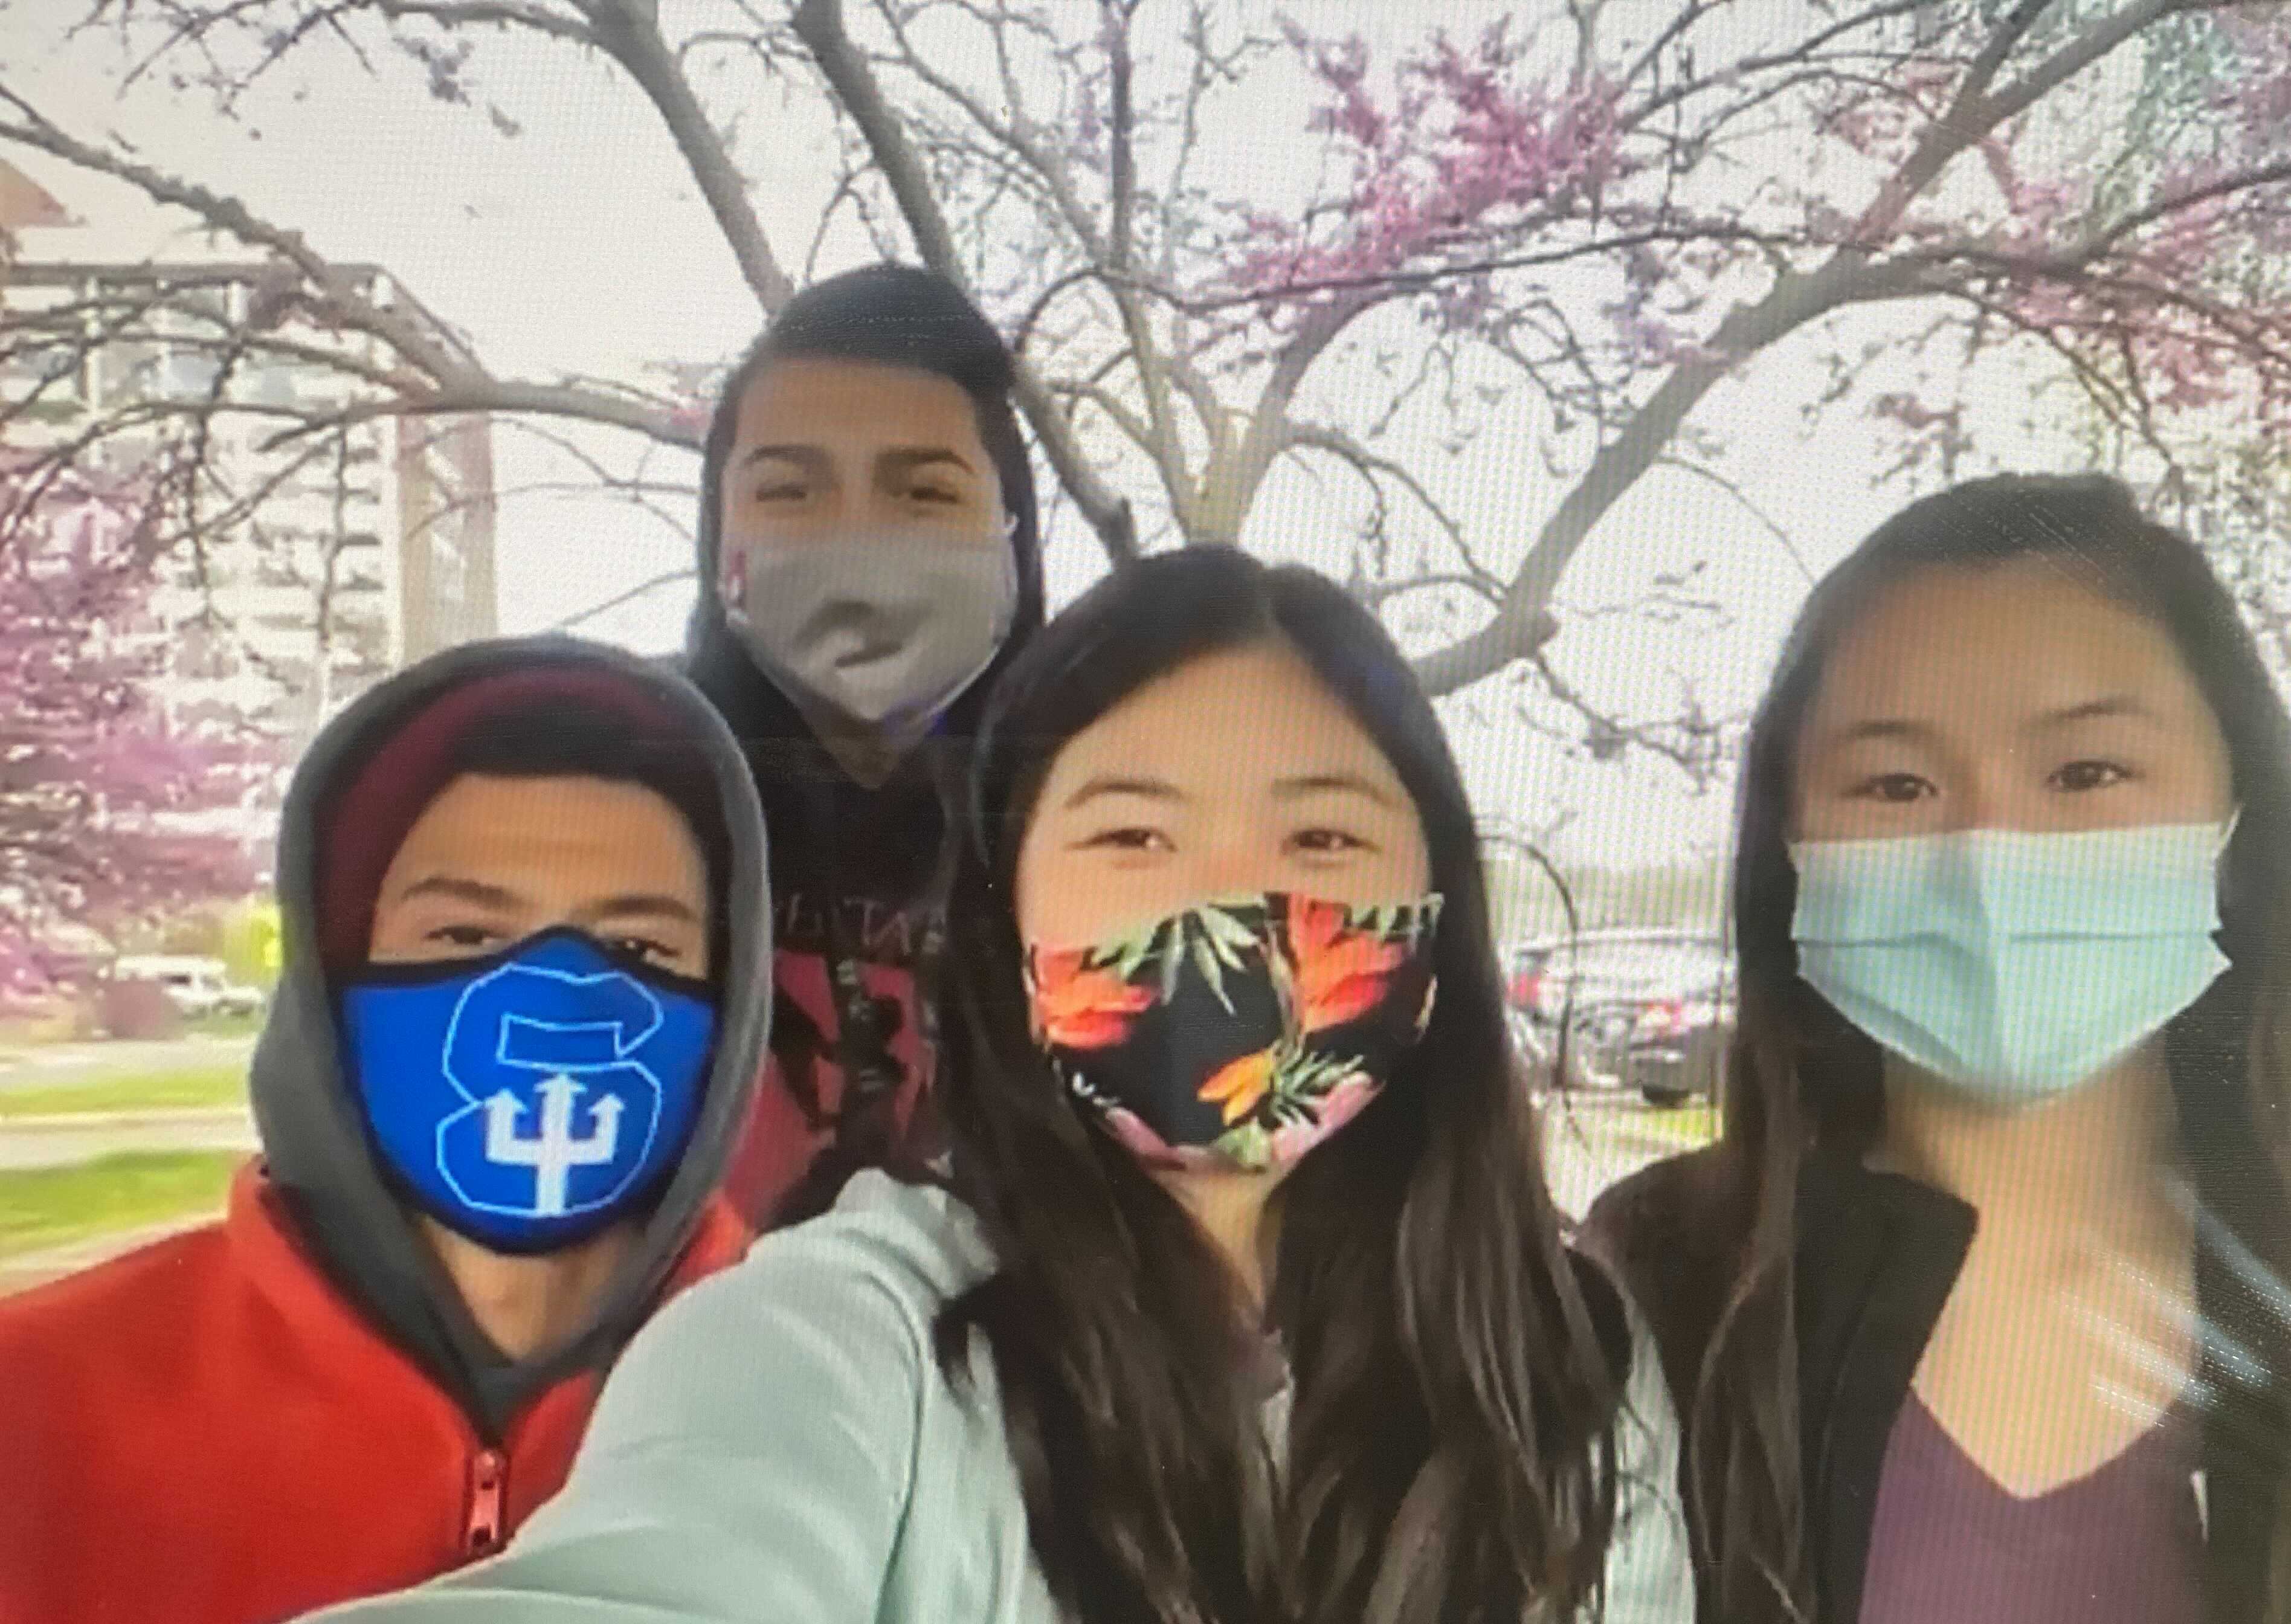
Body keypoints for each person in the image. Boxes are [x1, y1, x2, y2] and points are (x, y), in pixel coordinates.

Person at [307, 549, 1695, 1622]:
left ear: (1438, 921)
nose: (1232, 906)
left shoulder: (1568, 1360)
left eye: (1324, 834)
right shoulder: (849, 1337)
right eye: (1133, 832)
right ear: (1006, 934)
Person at [1580, 474, 2291, 1624]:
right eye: (1895, 783)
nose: (1988, 850)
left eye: (2086, 774)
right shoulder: (1660, 1278)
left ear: (2238, 818)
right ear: (1790, 848)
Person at [0, 636, 773, 1624]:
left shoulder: (848, 1412)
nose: (552, 1002)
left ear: (732, 1006)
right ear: (332, 984)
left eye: (636, 946)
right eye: (465, 937)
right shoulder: (36, 1405)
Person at [685, 262, 1046, 1230]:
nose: (858, 544)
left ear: (1010, 531)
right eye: (790, 491)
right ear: (719, 532)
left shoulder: (1093, 798)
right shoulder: (633, 774)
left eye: (923, 493)